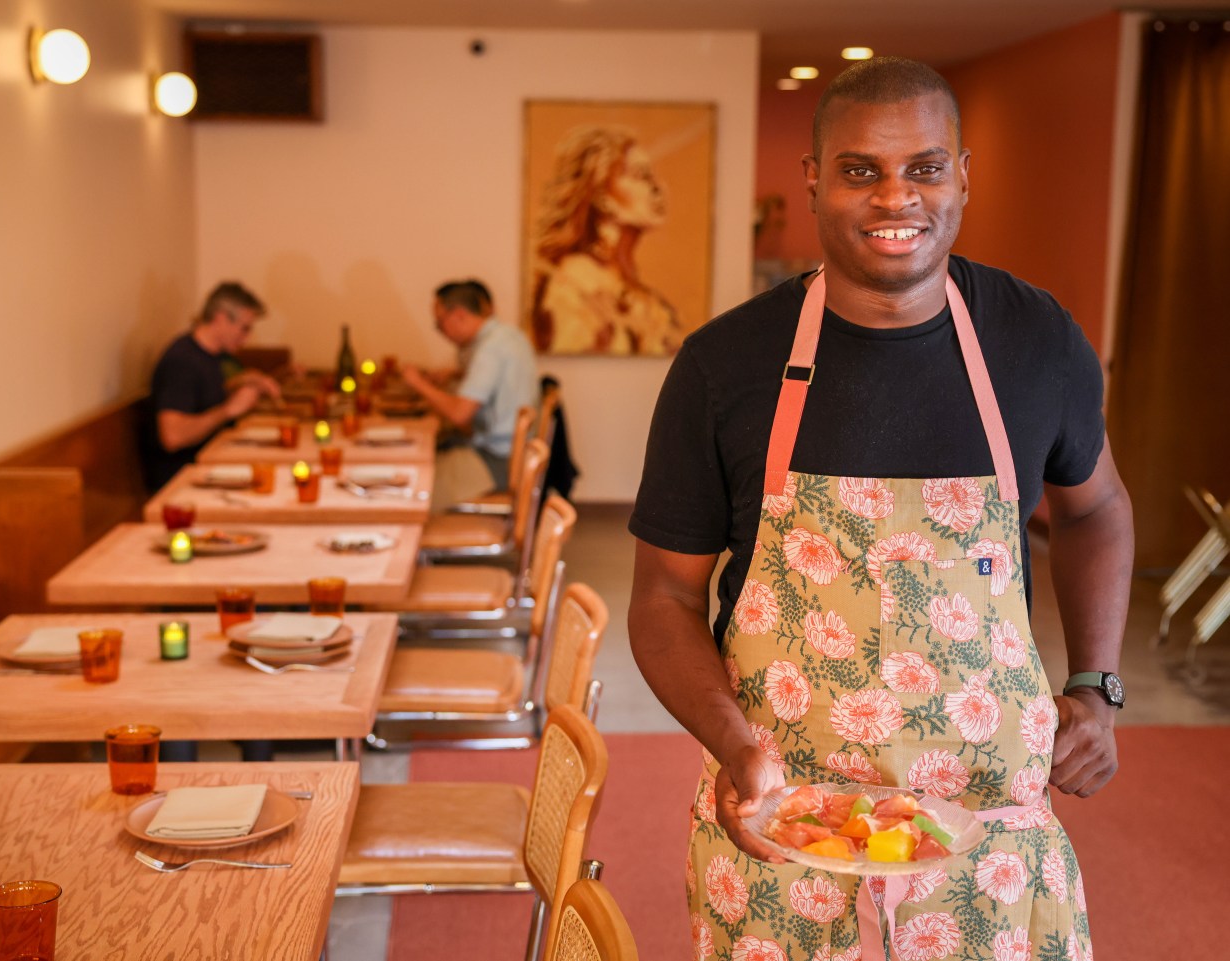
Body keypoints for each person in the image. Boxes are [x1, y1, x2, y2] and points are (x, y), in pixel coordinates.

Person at [628, 58, 1133, 961]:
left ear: (963, 175)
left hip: (989, 836)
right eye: (860, 169)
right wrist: (736, 750)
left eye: (924, 167)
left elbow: (1094, 508)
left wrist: (1096, 685)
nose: (894, 195)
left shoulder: (1034, 339)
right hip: (782, 820)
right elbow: (662, 597)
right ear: (815, 179)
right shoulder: (723, 365)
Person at [529, 125, 682, 355]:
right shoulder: (574, 284)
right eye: (640, 176)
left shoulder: (647, 298)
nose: (657, 187)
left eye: (652, 175)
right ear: (602, 197)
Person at [143, 282, 282, 490]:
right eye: (244, 328)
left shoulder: (212, 356)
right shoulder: (181, 361)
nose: (247, 337)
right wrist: (228, 410)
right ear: (221, 318)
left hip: (211, 469)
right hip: (181, 482)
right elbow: (173, 436)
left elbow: (203, 397)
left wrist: (245, 381)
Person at [402, 280, 538, 492]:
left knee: (411, 484)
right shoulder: (509, 336)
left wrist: (417, 383)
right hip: (514, 454)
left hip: (498, 460)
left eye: (439, 323)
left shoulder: (490, 349)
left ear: (458, 315)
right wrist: (456, 374)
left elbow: (460, 414)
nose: (440, 331)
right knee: (423, 457)